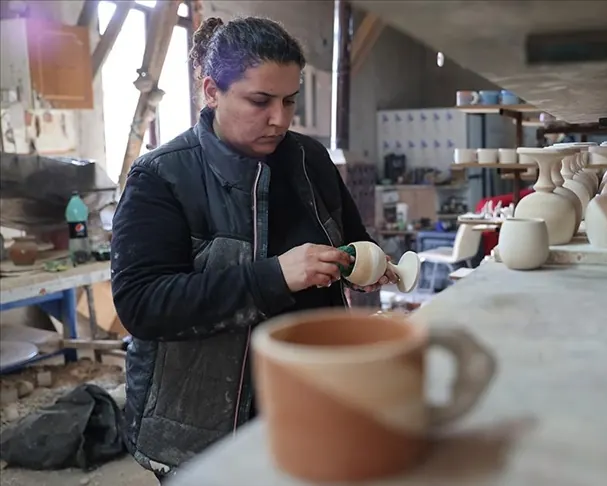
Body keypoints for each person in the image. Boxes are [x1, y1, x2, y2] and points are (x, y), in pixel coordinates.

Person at [110, 16, 395, 483]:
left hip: (309, 399)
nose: (280, 119)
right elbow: (143, 305)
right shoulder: (162, 177)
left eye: (289, 101)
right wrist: (274, 276)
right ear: (211, 90)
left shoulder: (309, 159)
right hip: (206, 423)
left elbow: (352, 239)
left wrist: (363, 263)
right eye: (260, 101)